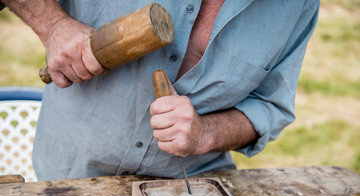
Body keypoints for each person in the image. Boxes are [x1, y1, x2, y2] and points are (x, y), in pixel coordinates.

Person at [1, 0, 320, 180]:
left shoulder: (297, 6)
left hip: (191, 193)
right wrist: (52, 24)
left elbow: (269, 106)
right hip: (68, 181)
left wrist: (204, 134)